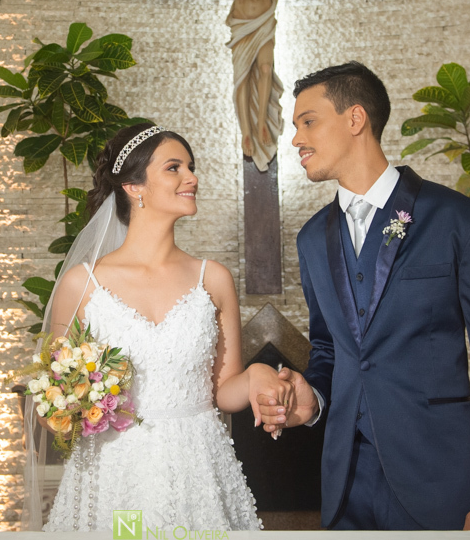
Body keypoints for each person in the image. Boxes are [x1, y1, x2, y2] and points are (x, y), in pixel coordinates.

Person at [256, 62, 470, 531]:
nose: (296, 140)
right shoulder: (310, 240)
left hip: (441, 480)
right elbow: (328, 349)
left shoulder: (458, 221)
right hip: (344, 485)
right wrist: (312, 397)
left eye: (308, 121)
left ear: (355, 119)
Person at [33, 123, 290, 531]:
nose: (192, 177)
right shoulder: (82, 285)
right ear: (133, 187)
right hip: (113, 472)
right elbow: (53, 402)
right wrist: (72, 405)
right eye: (175, 168)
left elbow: (224, 391)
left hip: (199, 468)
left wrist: (257, 375)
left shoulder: (214, 279)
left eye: (191, 167)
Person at [153, 0, 365, 171]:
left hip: (264, 22)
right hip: (242, 25)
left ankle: (263, 121)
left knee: (265, 70)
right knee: (241, 79)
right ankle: (246, 132)